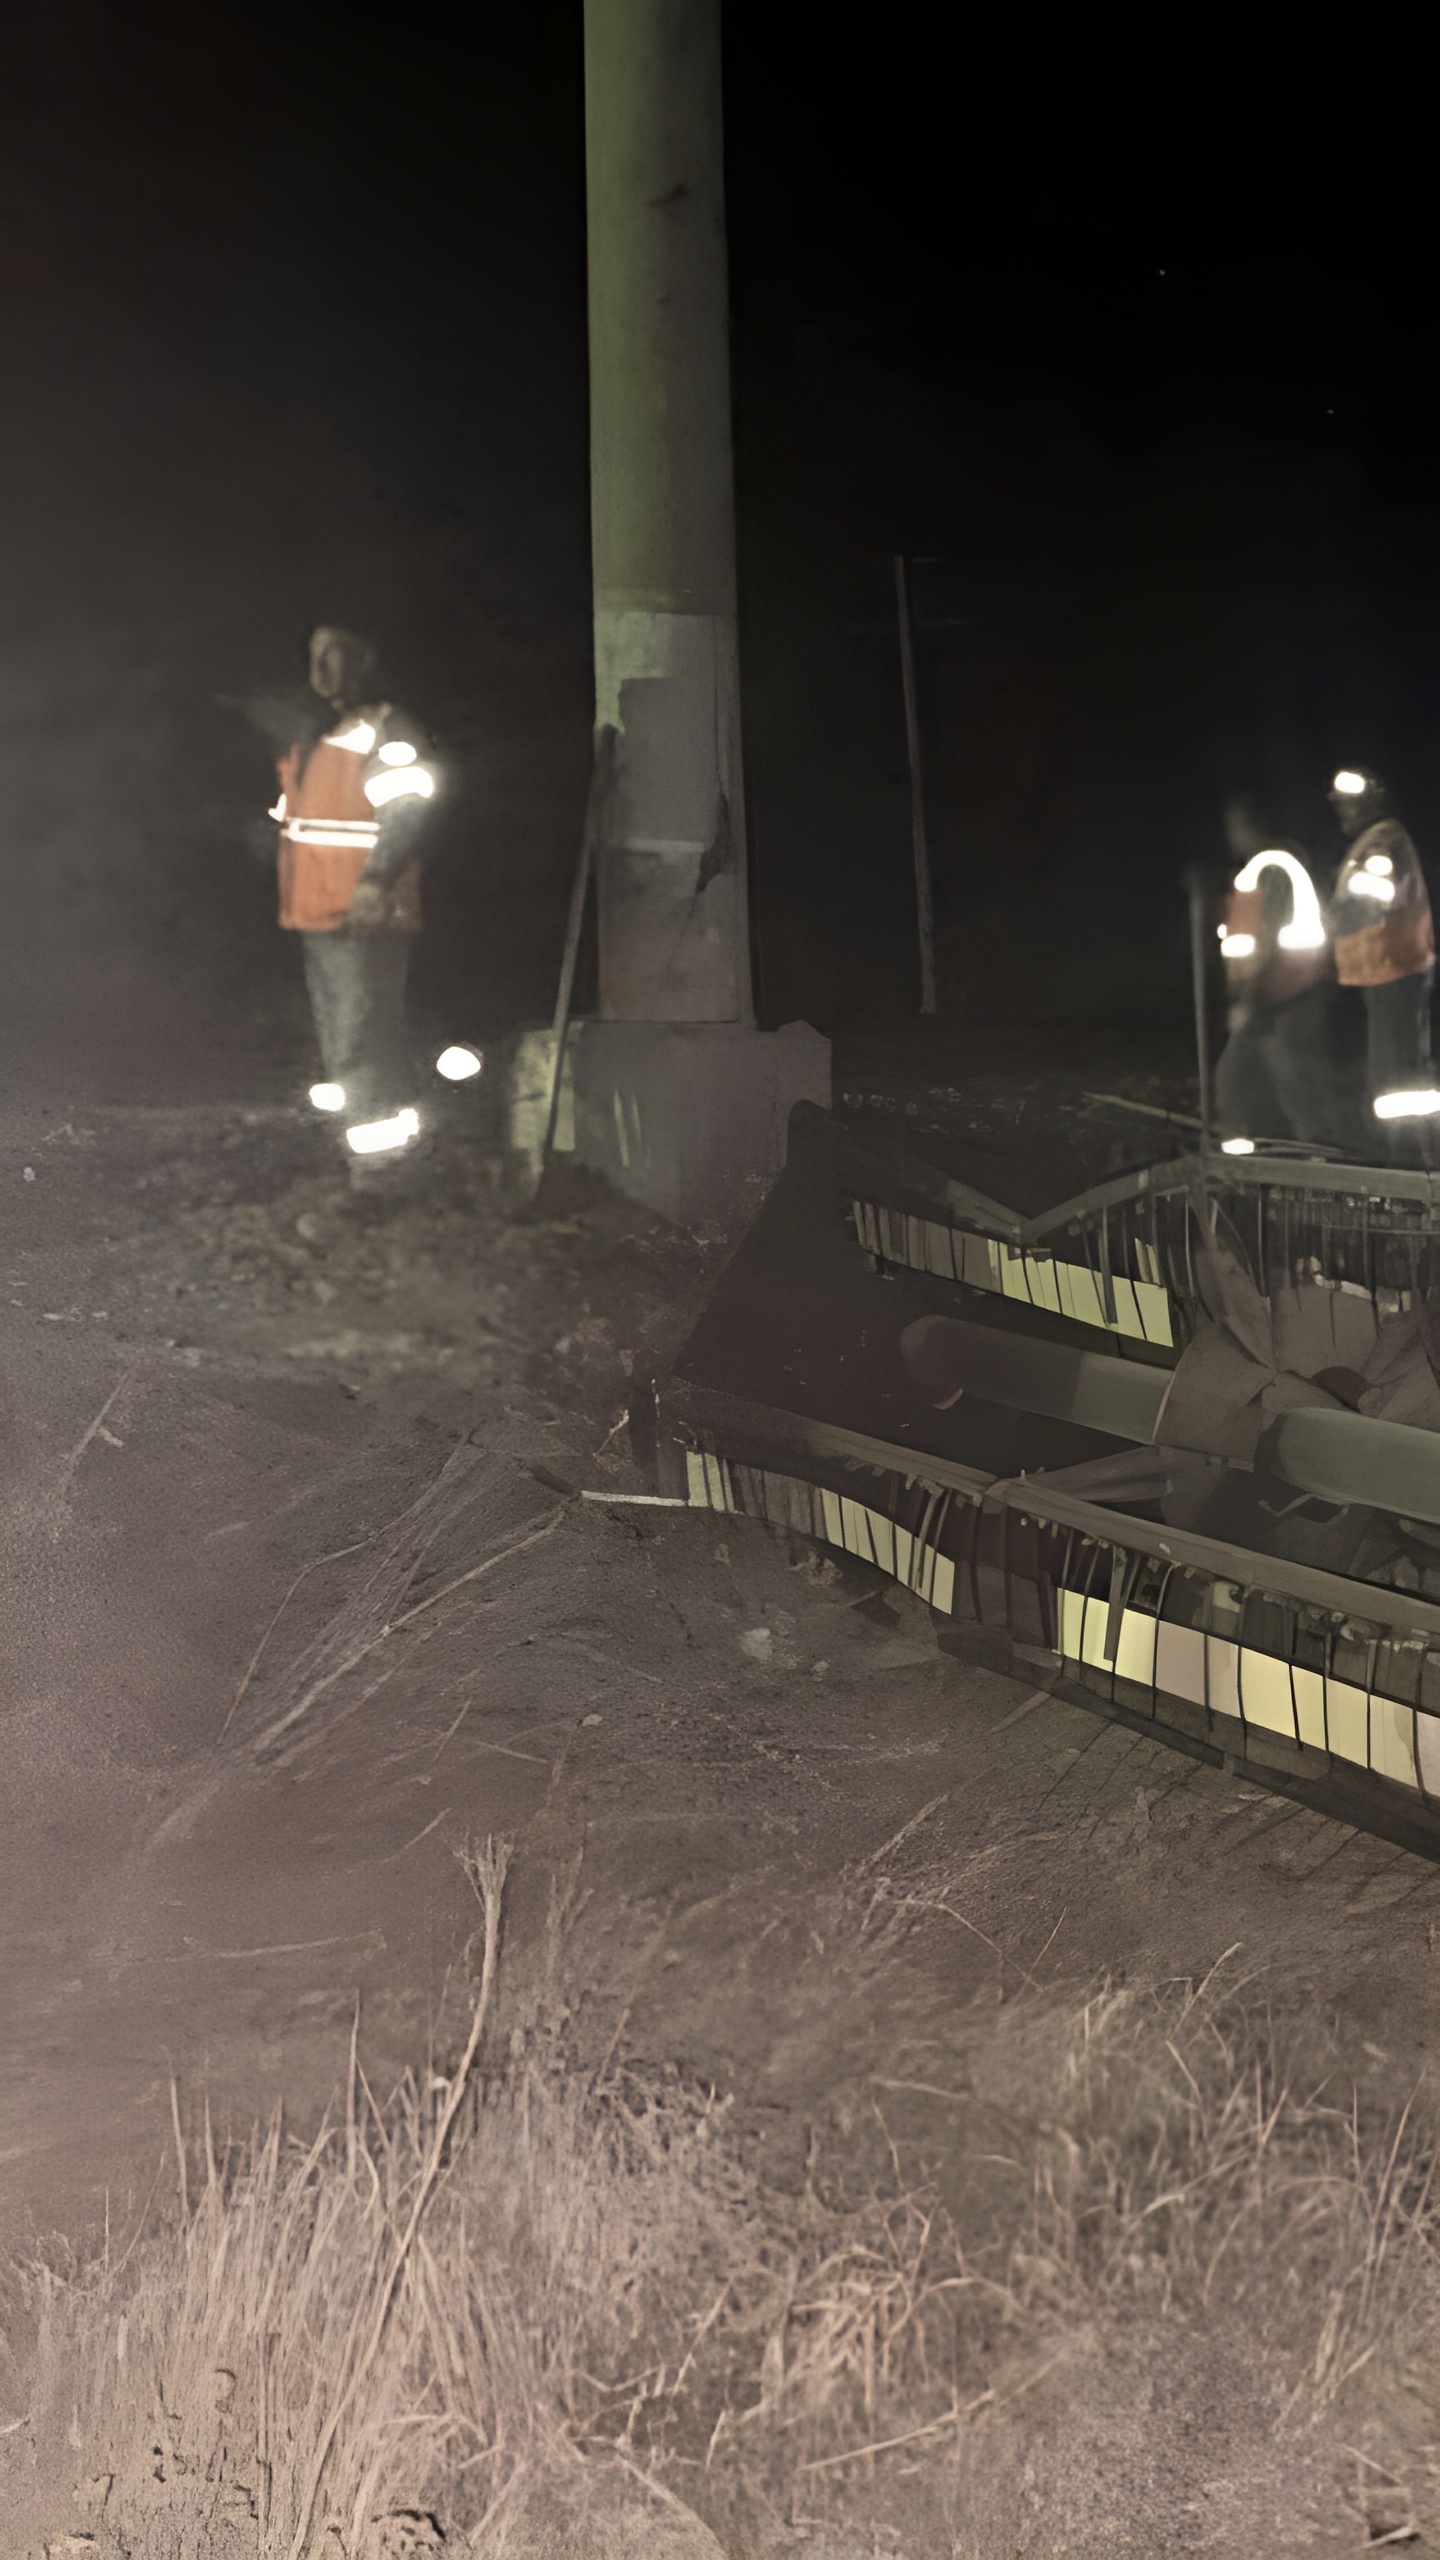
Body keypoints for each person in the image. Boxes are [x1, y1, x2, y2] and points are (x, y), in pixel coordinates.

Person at [270, 627, 436, 1156]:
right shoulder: (326, 733)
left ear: (362, 659)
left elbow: (409, 807)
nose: (321, 666)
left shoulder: (384, 727)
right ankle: (371, 1160)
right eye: (314, 652)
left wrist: (375, 878)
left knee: (364, 1038)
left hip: (365, 909)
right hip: (320, 912)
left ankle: (383, 1171)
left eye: (332, 653)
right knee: (346, 1041)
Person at [1212, 795, 1367, 1156]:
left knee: (1295, 1080)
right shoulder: (1263, 868)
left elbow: (1264, 942)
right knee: (1247, 1075)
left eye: (1234, 823)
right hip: (1280, 994)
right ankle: (1271, 1151)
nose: (1229, 832)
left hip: (1290, 994)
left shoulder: (1271, 868)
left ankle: (1321, 1154)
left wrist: (1247, 1001)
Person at [1327, 766, 1437, 1144]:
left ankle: (1409, 1161)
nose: (1344, 813)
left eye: (1350, 805)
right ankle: (1406, 1155)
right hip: (1383, 970)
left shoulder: (1382, 840)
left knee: (1398, 1080)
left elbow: (1377, 897)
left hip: (1393, 966)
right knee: (1394, 1074)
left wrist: (1335, 912)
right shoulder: (1374, 841)